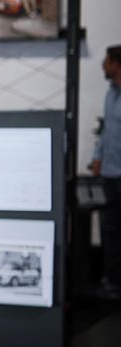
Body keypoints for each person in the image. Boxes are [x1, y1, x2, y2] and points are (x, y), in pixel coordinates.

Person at [90, 45, 121, 297]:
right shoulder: (110, 95)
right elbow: (106, 132)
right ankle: (112, 280)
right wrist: (97, 157)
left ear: (117, 64)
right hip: (110, 174)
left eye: (106, 61)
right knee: (109, 229)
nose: (103, 66)